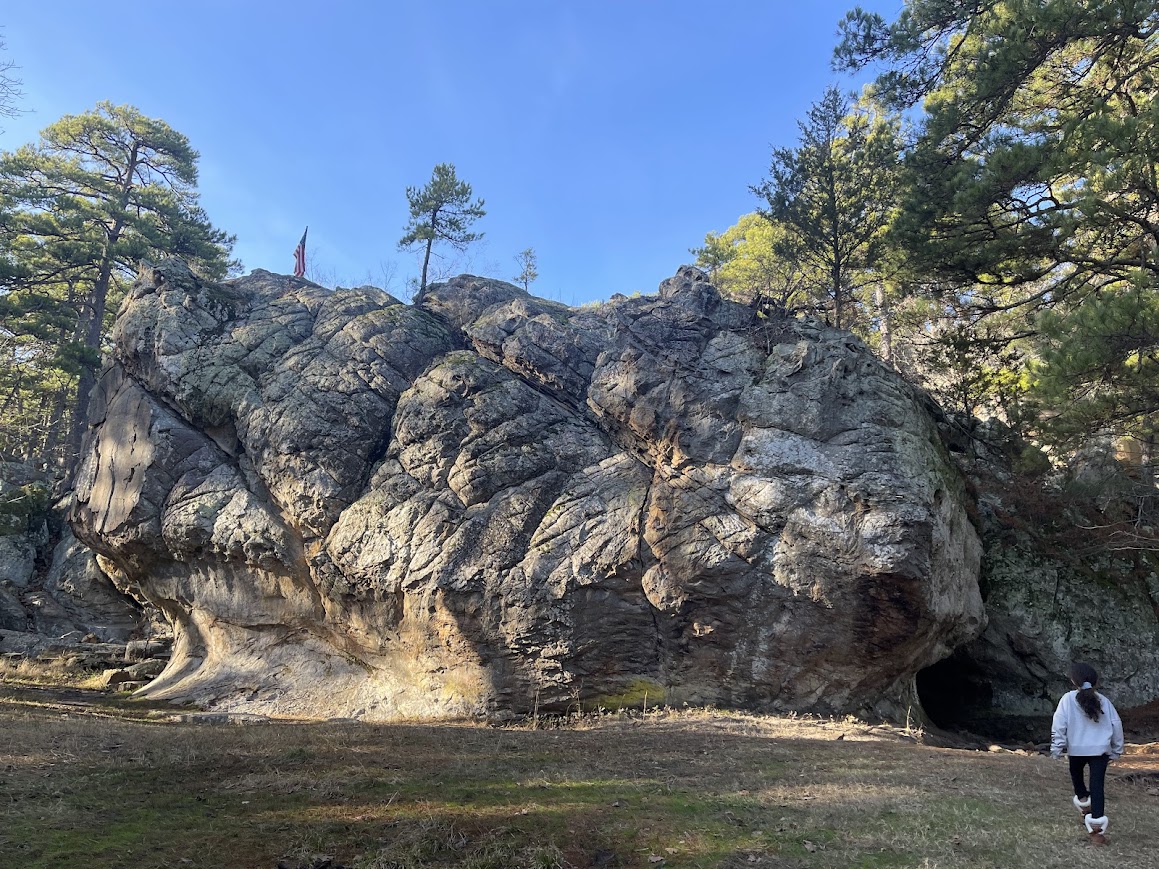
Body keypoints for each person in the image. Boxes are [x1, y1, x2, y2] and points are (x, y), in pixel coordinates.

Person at [1050, 662, 1124, 846]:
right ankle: (1097, 832)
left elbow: (1059, 724)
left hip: (1076, 750)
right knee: (1097, 787)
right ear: (1095, 681)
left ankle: (1084, 804)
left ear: (1073, 680)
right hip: (1100, 751)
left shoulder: (1067, 699)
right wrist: (1116, 750)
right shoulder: (1104, 701)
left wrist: (1056, 749)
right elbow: (1117, 725)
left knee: (1078, 781)